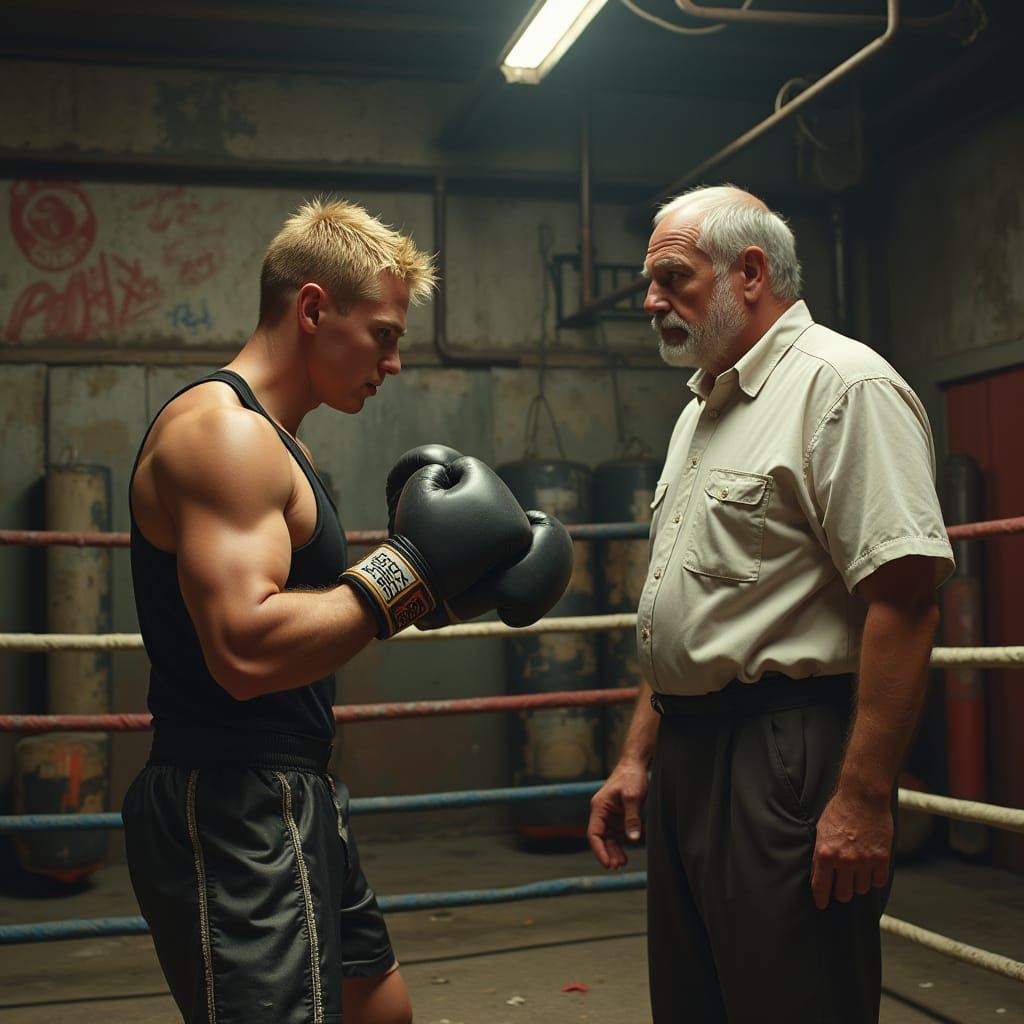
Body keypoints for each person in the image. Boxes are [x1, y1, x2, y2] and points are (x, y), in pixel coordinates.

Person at [123, 197, 572, 1024]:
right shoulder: (225, 436)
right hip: (234, 799)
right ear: (313, 308)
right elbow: (246, 650)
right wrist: (411, 570)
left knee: (379, 1010)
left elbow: (318, 609)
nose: (393, 361)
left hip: (294, 787)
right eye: (384, 334)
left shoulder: (281, 442)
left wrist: (428, 590)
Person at [587, 185, 954, 1023]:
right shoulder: (701, 411)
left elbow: (904, 601)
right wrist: (638, 756)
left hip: (786, 752)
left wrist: (861, 795)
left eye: (672, 277)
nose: (650, 301)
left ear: (749, 272)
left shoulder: (844, 387)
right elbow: (689, 604)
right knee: (697, 1002)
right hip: (690, 749)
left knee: (794, 1000)